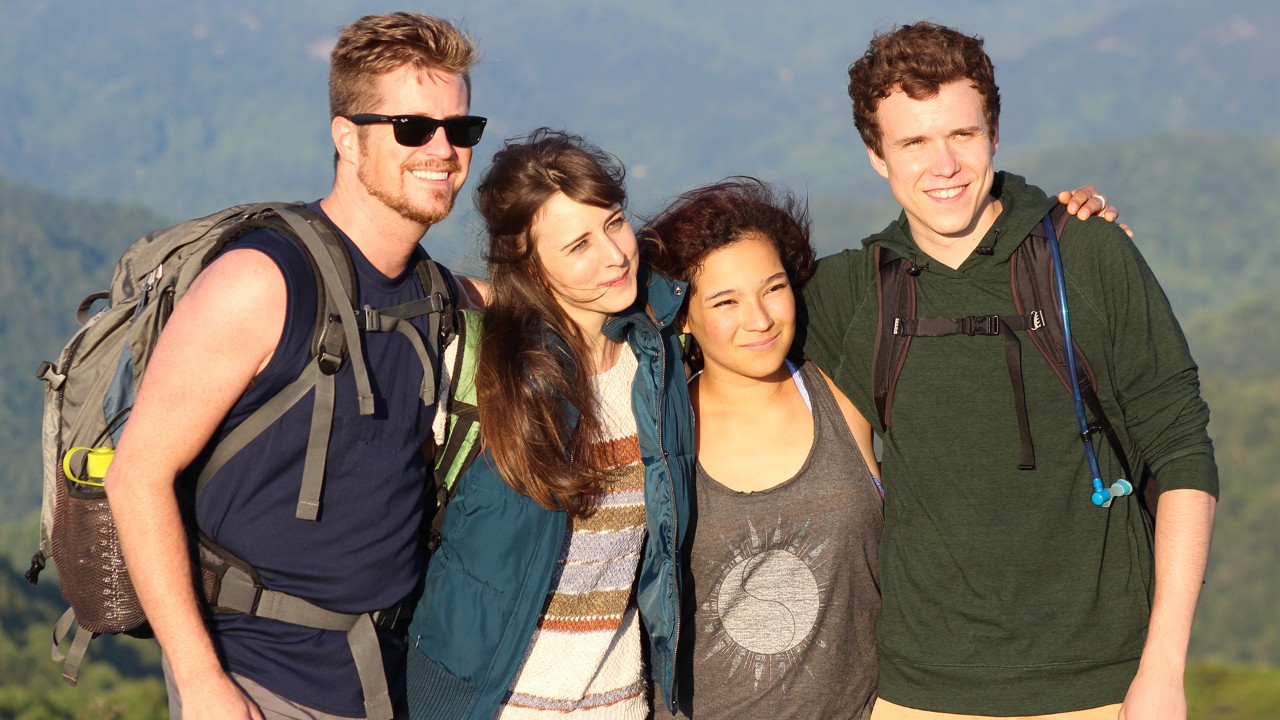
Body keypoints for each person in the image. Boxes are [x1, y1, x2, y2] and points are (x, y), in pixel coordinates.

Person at [798, 21, 1218, 720]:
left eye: (962, 135)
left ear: (993, 133)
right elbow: (704, 302)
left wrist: (1163, 671)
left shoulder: (1088, 257)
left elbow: (1182, 453)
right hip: (915, 695)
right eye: (914, 142)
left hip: (1103, 689)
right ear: (876, 155)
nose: (945, 165)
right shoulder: (847, 291)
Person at [104, 12, 483, 720]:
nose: (442, 149)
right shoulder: (261, 282)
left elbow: (522, 297)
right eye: (412, 128)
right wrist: (202, 682)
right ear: (347, 137)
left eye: (460, 130)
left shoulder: (429, 292)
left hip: (386, 682)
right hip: (256, 682)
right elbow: (136, 475)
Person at [403, 129, 694, 720]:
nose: (615, 255)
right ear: (532, 269)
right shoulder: (479, 373)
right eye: (579, 244)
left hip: (618, 704)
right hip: (487, 704)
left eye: (614, 223)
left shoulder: (659, 361)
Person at [642, 179, 883, 719]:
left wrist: (1060, 231)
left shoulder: (846, 399)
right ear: (683, 316)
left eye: (773, 288)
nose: (760, 319)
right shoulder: (657, 434)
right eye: (726, 300)